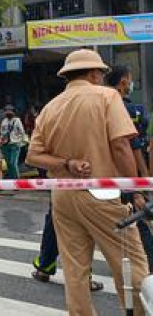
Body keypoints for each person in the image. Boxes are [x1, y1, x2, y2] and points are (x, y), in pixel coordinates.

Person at [27, 49, 148, 316]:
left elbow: (34, 155)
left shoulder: (50, 107)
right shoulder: (107, 96)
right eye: (101, 73)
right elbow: (120, 147)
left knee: (75, 270)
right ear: (94, 73)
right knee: (131, 263)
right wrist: (133, 187)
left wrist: (66, 163)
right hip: (102, 195)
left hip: (62, 196)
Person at [106, 65, 153, 272]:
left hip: (111, 172)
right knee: (138, 217)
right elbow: (135, 145)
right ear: (124, 81)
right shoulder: (135, 109)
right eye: (130, 79)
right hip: (128, 169)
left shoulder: (106, 105)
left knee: (135, 218)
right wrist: (142, 177)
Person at [0, 105, 26, 180]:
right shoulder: (4, 121)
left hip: (15, 145)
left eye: (10, 110)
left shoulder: (17, 120)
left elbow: (22, 132)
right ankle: (11, 180)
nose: (8, 112)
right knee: (8, 164)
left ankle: (17, 180)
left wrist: (20, 141)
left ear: (13, 112)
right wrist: (2, 140)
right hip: (5, 145)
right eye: (7, 110)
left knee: (13, 163)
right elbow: (2, 132)